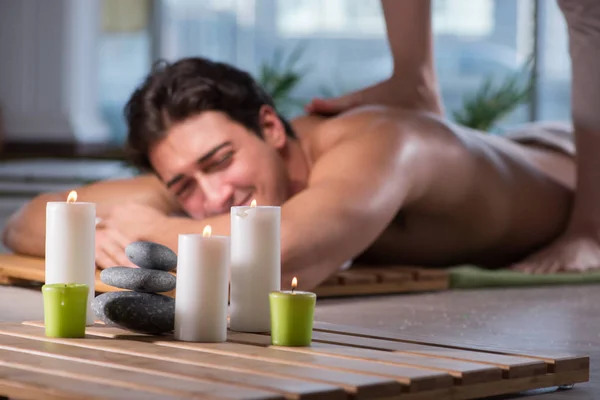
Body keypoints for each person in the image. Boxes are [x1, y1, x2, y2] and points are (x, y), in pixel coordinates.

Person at [2, 57, 576, 291]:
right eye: (182, 187)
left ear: (272, 128)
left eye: (221, 161)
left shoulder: (383, 143)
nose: (214, 196)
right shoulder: (204, 183)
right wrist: (112, 226)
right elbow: (28, 220)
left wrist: (149, 231)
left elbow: (279, 254)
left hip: (573, 165)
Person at [307, 0, 600, 275]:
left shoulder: (384, 143)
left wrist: (590, 229)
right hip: (542, 145)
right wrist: (413, 76)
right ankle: (412, 82)